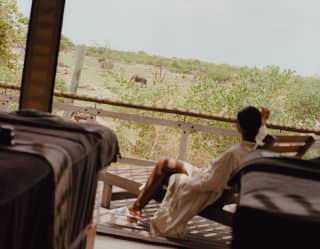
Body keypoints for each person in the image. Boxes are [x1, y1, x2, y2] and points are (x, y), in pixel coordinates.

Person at [127, 106, 270, 237]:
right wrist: (263, 119)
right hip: (214, 180)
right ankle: (136, 207)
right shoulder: (256, 147)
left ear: (240, 127)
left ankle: (136, 207)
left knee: (164, 171)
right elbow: (262, 133)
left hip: (212, 190)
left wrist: (189, 185)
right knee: (165, 164)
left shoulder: (233, 154)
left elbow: (213, 183)